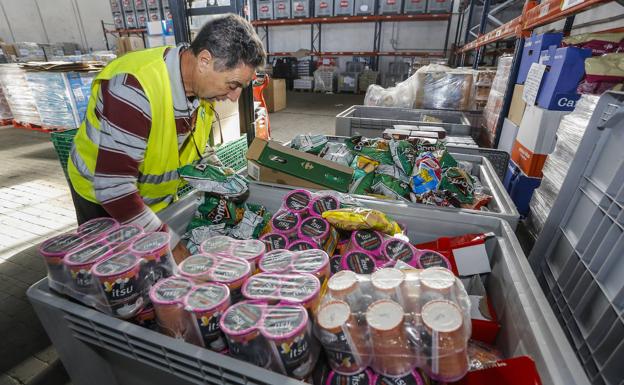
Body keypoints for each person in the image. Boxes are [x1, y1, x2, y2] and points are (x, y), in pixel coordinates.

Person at [67, 14, 266, 245]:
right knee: (115, 268)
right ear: (204, 61)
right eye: (232, 85)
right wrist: (169, 246)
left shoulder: (202, 90)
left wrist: (221, 177)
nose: (234, 96)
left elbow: (193, 145)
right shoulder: (133, 88)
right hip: (104, 201)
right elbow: (114, 188)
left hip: (153, 201)